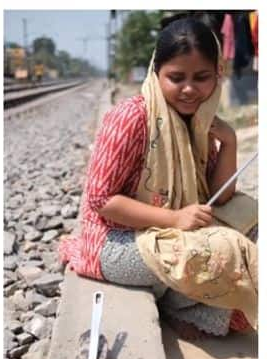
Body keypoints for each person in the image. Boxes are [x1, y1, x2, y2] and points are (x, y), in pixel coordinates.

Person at [59, 16, 257, 338]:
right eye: (176, 78)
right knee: (225, 250)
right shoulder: (132, 118)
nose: (190, 89)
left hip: (172, 230)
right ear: (156, 73)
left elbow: (221, 197)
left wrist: (230, 141)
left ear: (217, 76)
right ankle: (185, 309)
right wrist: (174, 218)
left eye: (202, 77)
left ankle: (185, 298)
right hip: (116, 242)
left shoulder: (200, 120)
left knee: (253, 221)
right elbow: (101, 200)